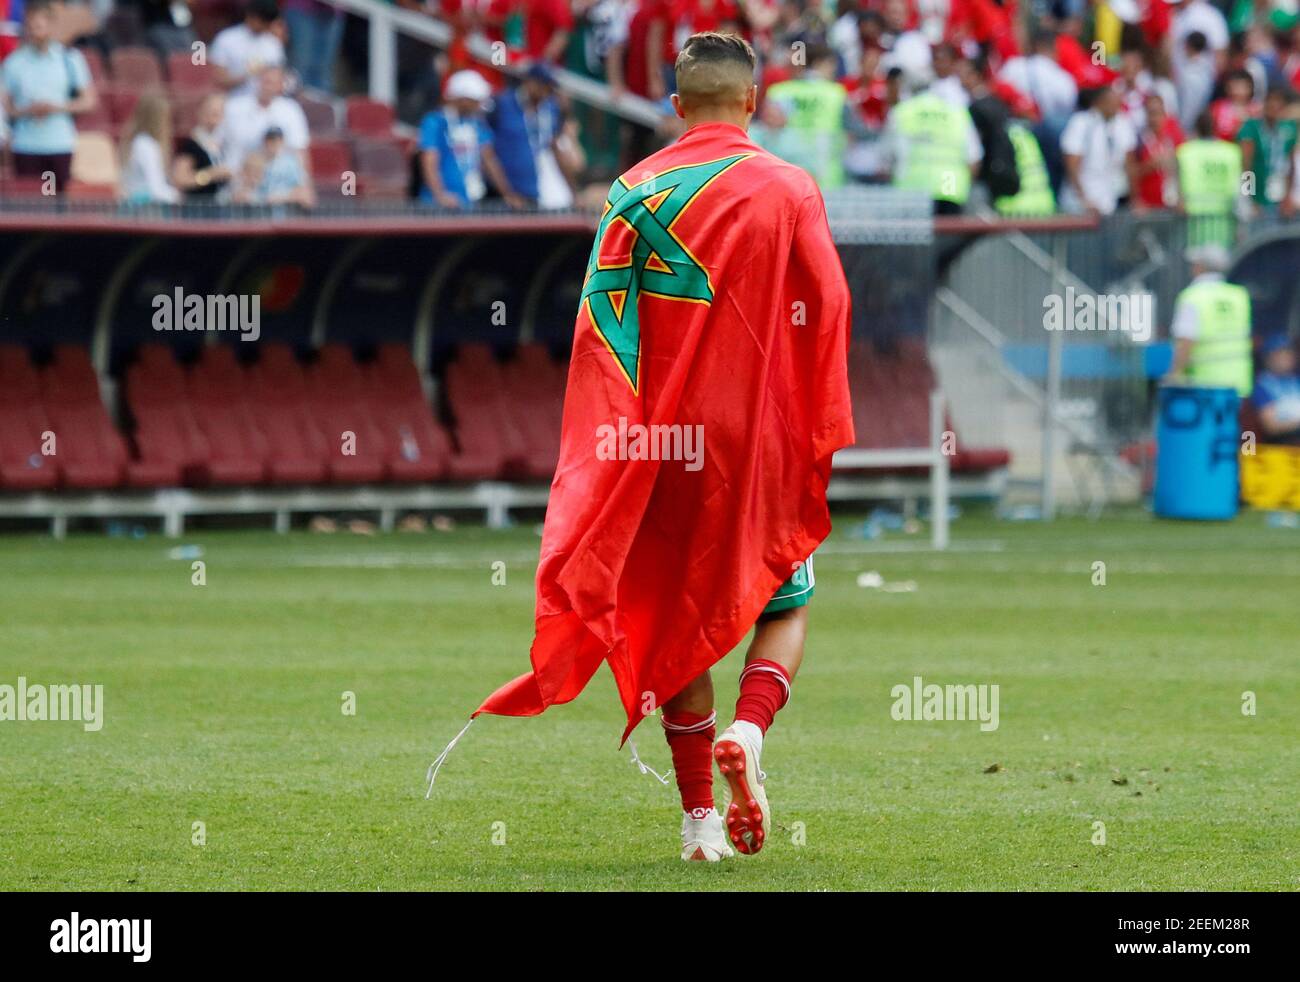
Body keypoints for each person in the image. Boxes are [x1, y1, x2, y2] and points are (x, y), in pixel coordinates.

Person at [454, 31, 854, 864]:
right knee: (787, 600)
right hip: (753, 435)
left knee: (675, 612)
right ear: (753, 100)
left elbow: (604, 325)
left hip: (660, 439)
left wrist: (611, 436)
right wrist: (810, 415)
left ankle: (700, 826)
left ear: (676, 108)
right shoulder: (788, 186)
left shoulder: (631, 188)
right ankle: (748, 728)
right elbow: (831, 304)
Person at [0, 0, 97, 190]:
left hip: (57, 143)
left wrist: (57, 107)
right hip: (26, 145)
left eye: (39, 26)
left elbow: (88, 100)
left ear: (51, 25)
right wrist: (28, 111)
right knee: (29, 205)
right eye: (31, 26)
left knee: (52, 201)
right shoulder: (14, 63)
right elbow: (7, 108)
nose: (35, 32)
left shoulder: (69, 59)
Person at [417, 69, 523, 208]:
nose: (479, 105)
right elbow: (429, 160)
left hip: (468, 203)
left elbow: (489, 160)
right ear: (463, 99)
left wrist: (507, 194)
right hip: (437, 206)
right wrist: (440, 195)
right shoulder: (435, 122)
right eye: (475, 101)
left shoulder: (477, 123)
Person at [486, 62, 580, 209]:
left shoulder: (550, 109)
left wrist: (574, 193)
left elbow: (554, 149)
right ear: (529, 81)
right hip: (500, 195)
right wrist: (507, 193)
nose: (546, 91)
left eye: (549, 87)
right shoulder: (502, 104)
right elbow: (487, 152)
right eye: (542, 85)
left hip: (537, 191)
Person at [883, 80, 982, 214]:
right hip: (950, 184)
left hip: (912, 186)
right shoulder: (957, 112)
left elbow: (887, 155)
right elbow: (974, 156)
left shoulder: (903, 111)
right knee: (948, 232)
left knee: (917, 234)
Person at [1167, 243, 1252, 398]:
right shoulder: (1239, 295)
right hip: (1238, 381)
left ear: (1199, 267)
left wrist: (1174, 375)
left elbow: (1186, 341)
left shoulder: (1193, 296)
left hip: (1205, 383)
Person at [764, 44, 850, 189]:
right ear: (818, 63)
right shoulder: (836, 93)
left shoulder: (780, 92)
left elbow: (769, 127)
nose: (834, 70)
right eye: (831, 65)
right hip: (826, 174)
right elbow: (855, 130)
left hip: (786, 174)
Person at [1059, 84, 1138, 215]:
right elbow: (1071, 164)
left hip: (1110, 201)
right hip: (1081, 204)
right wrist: (1083, 199)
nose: (1116, 106)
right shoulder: (1081, 123)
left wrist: (1134, 199)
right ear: (1099, 102)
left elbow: (1129, 164)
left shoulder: (1123, 123)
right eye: (1111, 102)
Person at [220, 64, 309, 173]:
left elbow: (299, 150)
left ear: (281, 86)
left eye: (272, 83)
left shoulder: (291, 110)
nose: (267, 87)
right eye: (264, 81)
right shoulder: (234, 107)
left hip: (276, 179)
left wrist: (304, 182)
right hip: (236, 175)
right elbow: (217, 141)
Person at [1177, 110, 1241, 249]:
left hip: (1196, 221)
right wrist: (1247, 202)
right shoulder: (1232, 152)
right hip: (1223, 219)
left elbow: (1175, 184)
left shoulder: (1185, 151)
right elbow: (1248, 176)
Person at [1239, 86, 1296, 215]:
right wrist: (1249, 199)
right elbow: (1246, 166)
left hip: (1279, 196)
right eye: (1271, 101)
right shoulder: (1252, 127)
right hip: (1258, 196)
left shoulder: (1288, 128)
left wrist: (1288, 196)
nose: (1274, 105)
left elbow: (1290, 166)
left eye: (1278, 102)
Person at [211, 0, 286, 96]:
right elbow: (219, 80)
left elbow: (279, 76)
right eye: (261, 22)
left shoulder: (273, 43)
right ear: (250, 16)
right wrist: (248, 74)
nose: (263, 26)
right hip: (234, 99)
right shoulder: (226, 39)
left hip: (268, 102)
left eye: (267, 24)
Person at [120, 90, 179, 204]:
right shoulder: (146, 145)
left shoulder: (137, 142)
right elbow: (155, 189)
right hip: (143, 210)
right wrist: (176, 196)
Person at [172, 92, 233, 200]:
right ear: (201, 112)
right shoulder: (191, 144)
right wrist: (210, 175)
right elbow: (180, 179)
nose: (215, 115)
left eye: (219, 111)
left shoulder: (221, 143)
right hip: (197, 205)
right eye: (211, 111)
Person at [234, 125, 314, 206]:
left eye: (277, 140)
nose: (274, 144)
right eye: (271, 141)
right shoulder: (255, 161)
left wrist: (281, 197)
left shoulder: (291, 163)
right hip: (263, 210)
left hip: (287, 209)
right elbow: (245, 191)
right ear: (265, 142)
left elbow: (303, 192)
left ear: (282, 142)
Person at [1252, 335, 1300, 445]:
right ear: (1268, 358)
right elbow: (1271, 426)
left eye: (1288, 353)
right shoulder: (1263, 386)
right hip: (1282, 445)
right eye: (1280, 353)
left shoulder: (1296, 381)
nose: (1286, 357)